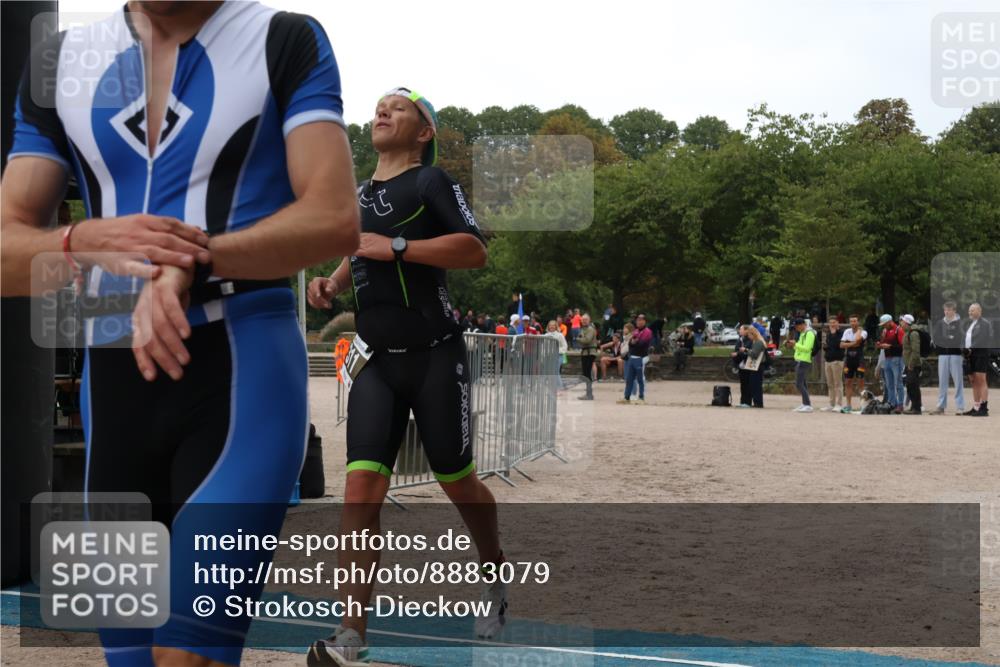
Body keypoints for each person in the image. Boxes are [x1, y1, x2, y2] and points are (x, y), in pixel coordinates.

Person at [4, 3, 360, 666]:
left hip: (242, 368)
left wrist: (195, 260)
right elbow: (5, 247)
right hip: (112, 382)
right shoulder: (60, 62)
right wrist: (80, 239)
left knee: (187, 654)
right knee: (130, 657)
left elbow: (335, 216)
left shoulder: (283, 38)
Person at [306, 87, 506, 665]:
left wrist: (395, 245)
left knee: (458, 482)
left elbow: (473, 251)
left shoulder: (430, 182)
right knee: (360, 489)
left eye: (399, 106)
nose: (382, 111)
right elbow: (356, 250)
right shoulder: (359, 193)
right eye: (379, 105)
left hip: (435, 356)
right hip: (375, 361)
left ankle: (493, 580)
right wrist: (332, 284)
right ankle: (351, 634)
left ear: (424, 132)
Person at [932, 301, 966, 415]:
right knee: (942, 381)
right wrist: (948, 339)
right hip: (943, 355)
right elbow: (936, 338)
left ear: (954, 310)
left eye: (949, 310)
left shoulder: (960, 323)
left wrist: (947, 340)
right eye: (945, 310)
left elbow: (959, 338)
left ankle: (960, 407)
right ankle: (941, 406)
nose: (947, 312)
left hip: (956, 354)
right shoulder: (940, 323)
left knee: (958, 381)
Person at [963, 302, 993, 417]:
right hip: (971, 355)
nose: (970, 312)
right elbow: (967, 339)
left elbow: (982, 339)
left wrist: (970, 349)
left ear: (979, 311)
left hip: (980, 354)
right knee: (974, 381)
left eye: (973, 310)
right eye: (969, 310)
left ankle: (984, 408)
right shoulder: (971, 324)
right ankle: (976, 407)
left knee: (981, 380)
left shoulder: (984, 323)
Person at [618, 314, 652, 405]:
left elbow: (641, 343)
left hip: (641, 357)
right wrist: (633, 342)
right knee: (629, 378)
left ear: (645, 321)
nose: (639, 322)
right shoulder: (636, 331)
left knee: (640, 379)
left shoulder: (647, 331)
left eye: (641, 320)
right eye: (638, 320)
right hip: (632, 357)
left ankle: (641, 397)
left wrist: (634, 342)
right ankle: (627, 397)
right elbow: (630, 343)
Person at [876, 314, 905, 413]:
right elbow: (883, 342)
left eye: (885, 324)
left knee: (898, 383)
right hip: (887, 358)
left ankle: (900, 405)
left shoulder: (899, 330)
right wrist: (880, 344)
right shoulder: (885, 331)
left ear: (890, 322)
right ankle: (892, 403)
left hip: (897, 358)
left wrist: (890, 347)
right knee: (889, 384)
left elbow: (903, 346)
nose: (884, 326)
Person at [785, 318, 815, 412]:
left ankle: (808, 405)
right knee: (803, 383)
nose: (796, 329)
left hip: (804, 360)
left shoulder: (809, 333)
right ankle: (805, 403)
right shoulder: (802, 333)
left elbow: (807, 348)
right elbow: (800, 348)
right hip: (799, 360)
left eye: (797, 326)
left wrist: (795, 344)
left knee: (799, 384)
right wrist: (793, 345)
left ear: (802, 324)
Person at [840, 315, 868, 413]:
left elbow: (858, 340)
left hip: (859, 359)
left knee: (861, 383)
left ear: (858, 322)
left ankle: (863, 406)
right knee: (847, 382)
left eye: (855, 321)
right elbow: (841, 345)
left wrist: (858, 333)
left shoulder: (863, 332)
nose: (853, 323)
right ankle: (848, 405)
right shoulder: (847, 331)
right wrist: (853, 344)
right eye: (851, 321)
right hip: (849, 360)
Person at [900, 314, 923, 415]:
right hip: (908, 363)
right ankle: (914, 406)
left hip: (913, 364)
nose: (901, 323)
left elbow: (915, 350)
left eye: (902, 321)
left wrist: (911, 363)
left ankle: (917, 408)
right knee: (910, 385)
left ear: (906, 322)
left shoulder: (913, 334)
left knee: (913, 385)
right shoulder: (907, 333)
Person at [740, 325, 767, 408]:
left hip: (758, 366)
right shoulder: (756, 342)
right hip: (755, 366)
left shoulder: (758, 342)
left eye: (749, 335)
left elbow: (754, 354)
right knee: (753, 384)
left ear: (753, 334)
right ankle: (756, 402)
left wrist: (746, 350)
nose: (749, 337)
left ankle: (758, 403)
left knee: (756, 385)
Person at [822, 318, 845, 412]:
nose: (832, 324)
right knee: (830, 384)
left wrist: (834, 333)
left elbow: (837, 345)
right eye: (830, 323)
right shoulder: (828, 334)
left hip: (837, 361)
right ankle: (831, 404)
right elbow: (828, 345)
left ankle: (839, 404)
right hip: (828, 361)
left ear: (838, 323)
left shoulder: (841, 333)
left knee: (837, 383)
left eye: (834, 322)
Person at [577, 314, 598, 400]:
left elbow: (586, 340)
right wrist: (580, 338)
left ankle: (589, 394)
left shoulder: (590, 329)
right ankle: (588, 393)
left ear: (589, 320)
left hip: (590, 353)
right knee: (586, 374)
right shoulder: (583, 329)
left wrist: (579, 339)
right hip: (585, 353)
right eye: (583, 320)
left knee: (587, 373)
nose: (584, 321)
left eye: (586, 319)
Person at [733, 325, 754, 407]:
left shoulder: (750, 340)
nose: (740, 331)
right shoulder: (740, 339)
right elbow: (737, 349)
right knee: (743, 384)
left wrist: (738, 353)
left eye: (741, 329)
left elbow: (747, 352)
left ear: (746, 331)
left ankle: (748, 402)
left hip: (747, 364)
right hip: (741, 364)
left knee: (748, 384)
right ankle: (742, 401)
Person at [544, 320, 569, 387]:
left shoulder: (560, 335)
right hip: (549, 357)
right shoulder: (545, 335)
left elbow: (565, 346)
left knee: (555, 372)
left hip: (558, 356)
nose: (552, 326)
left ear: (556, 326)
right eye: (550, 325)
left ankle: (560, 387)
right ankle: (553, 387)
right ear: (548, 326)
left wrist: (556, 350)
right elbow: (544, 347)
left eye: (553, 325)